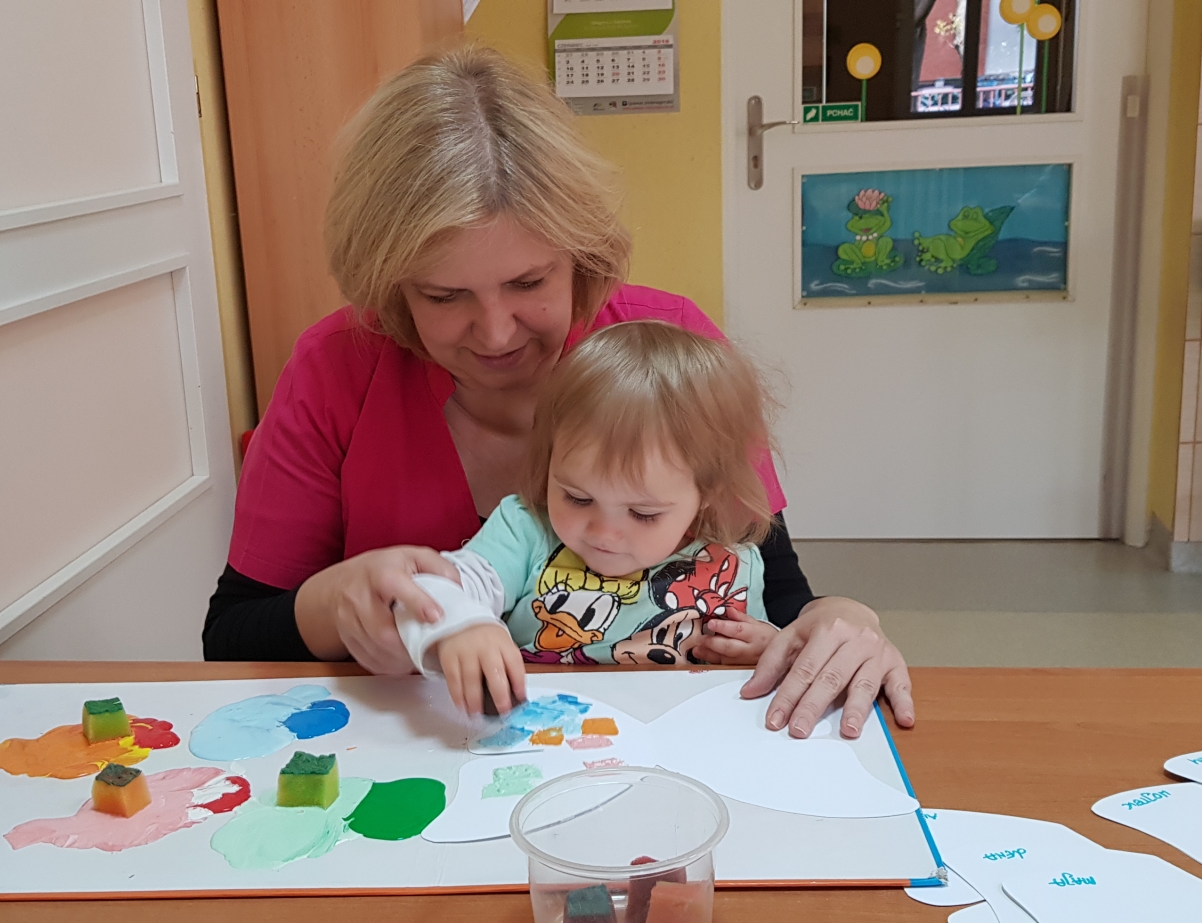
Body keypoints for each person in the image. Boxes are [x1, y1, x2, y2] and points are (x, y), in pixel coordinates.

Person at [204, 44, 915, 739]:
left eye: (528, 282)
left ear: (582, 256)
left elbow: (777, 590)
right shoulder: (337, 369)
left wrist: (837, 620)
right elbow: (228, 638)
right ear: (389, 286)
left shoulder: (664, 352)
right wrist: (330, 606)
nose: (494, 332)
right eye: (443, 295)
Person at [397, 321, 784, 715]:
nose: (604, 533)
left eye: (642, 513)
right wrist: (460, 624)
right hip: (545, 732)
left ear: (707, 493)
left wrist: (766, 647)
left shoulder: (733, 567)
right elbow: (427, 590)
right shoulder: (526, 531)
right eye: (577, 498)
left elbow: (754, 679)